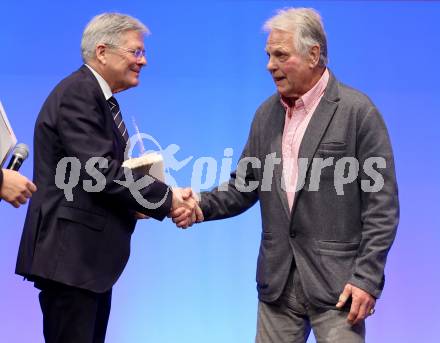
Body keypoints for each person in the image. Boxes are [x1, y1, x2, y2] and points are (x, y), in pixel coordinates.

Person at [172, 7, 399, 343]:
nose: (269, 65)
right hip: (277, 284)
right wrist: (198, 206)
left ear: (314, 54)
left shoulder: (357, 112)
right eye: (268, 55)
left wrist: (367, 278)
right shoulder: (266, 114)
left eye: (280, 55)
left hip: (337, 288)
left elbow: (382, 208)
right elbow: (243, 186)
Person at [15, 13, 199, 343]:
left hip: (85, 266)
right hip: (71, 263)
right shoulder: (79, 94)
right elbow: (101, 172)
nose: (143, 61)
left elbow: (93, 179)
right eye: (136, 52)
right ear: (102, 51)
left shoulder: (95, 97)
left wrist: (135, 205)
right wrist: (168, 198)